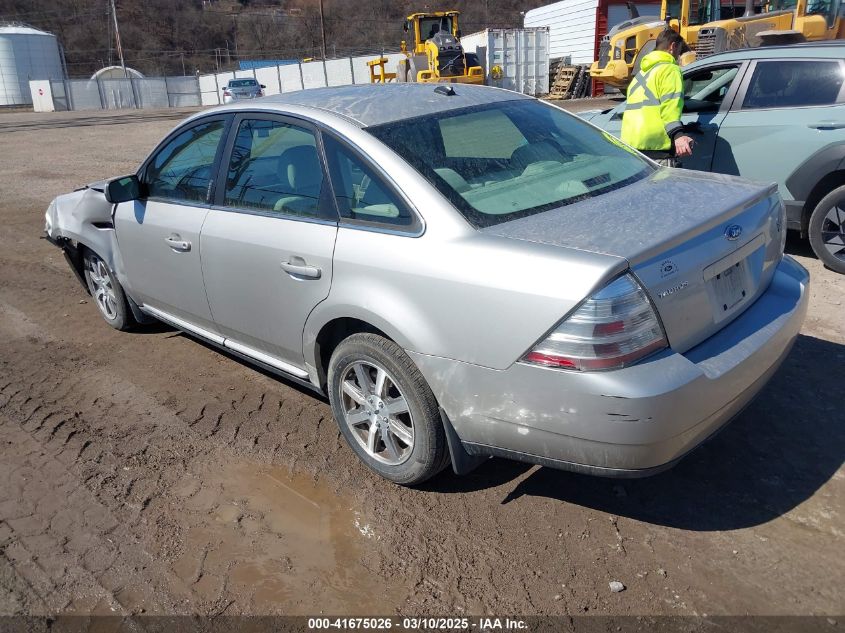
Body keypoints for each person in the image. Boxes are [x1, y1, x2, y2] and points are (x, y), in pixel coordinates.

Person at [620, 29, 695, 167]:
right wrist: (677, 135)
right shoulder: (670, 70)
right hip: (657, 147)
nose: (678, 56)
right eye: (679, 51)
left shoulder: (641, 75)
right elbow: (670, 105)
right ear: (672, 47)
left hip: (632, 147)